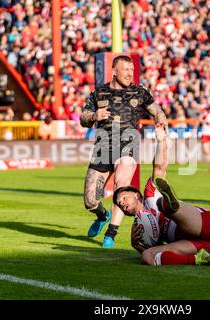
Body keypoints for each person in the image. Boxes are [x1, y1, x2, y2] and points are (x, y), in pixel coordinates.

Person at [80, 55, 168, 248]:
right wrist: (94, 115)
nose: (130, 73)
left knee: (122, 187)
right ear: (114, 71)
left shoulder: (139, 92)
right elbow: (83, 118)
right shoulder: (99, 92)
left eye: (131, 69)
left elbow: (157, 111)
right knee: (90, 200)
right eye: (125, 69)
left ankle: (111, 234)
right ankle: (103, 216)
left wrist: (161, 120)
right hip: (103, 147)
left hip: (128, 144)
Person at [113, 124, 210, 266]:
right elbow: (153, 250)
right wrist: (138, 245)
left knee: (161, 204)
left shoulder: (150, 194)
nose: (123, 204)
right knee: (147, 257)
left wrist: (160, 141)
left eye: (124, 198)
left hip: (203, 225)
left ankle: (171, 205)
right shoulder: (138, 228)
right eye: (121, 205)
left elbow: (159, 166)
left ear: (136, 195)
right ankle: (199, 259)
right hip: (195, 245)